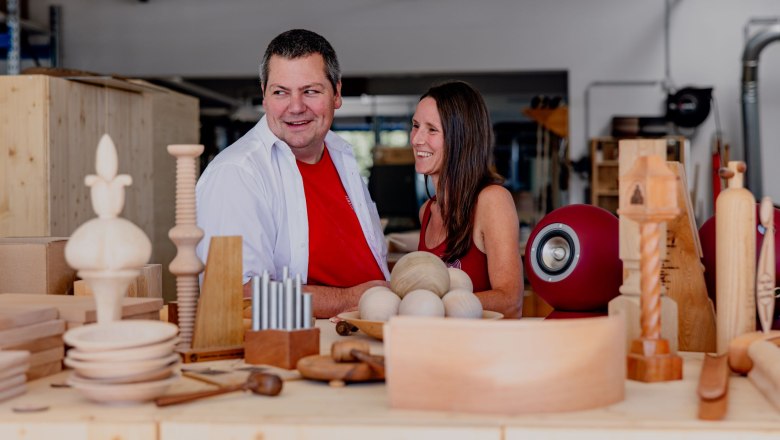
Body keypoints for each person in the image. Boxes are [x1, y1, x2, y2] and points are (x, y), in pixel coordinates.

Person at [195, 29, 389, 318]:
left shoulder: (341, 154)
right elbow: (236, 295)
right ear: (264, 95)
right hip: (304, 345)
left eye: (310, 91)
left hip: (368, 332)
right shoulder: (237, 173)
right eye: (280, 92)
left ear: (336, 93)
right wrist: (350, 299)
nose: (296, 107)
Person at [411, 81, 524, 318]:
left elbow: (510, 301)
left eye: (432, 130)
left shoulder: (492, 201)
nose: (416, 139)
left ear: (461, 139)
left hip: (480, 350)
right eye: (415, 126)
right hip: (437, 349)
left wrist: (431, 308)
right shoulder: (427, 212)